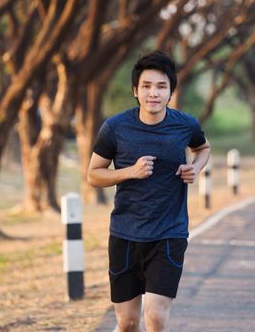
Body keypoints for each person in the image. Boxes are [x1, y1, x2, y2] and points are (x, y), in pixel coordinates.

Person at [87, 51, 211, 332]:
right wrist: (130, 171)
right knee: (128, 323)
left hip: (169, 233)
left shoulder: (185, 125)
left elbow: (203, 148)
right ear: (135, 91)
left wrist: (196, 167)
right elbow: (93, 174)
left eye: (161, 87)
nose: (153, 93)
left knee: (155, 317)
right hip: (125, 234)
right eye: (146, 86)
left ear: (170, 92)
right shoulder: (116, 128)